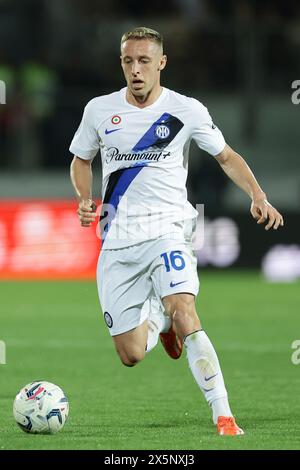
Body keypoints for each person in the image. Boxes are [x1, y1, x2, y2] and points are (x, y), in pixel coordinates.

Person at [69, 27, 284, 436]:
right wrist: (84, 196)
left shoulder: (186, 110)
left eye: (144, 61)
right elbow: (81, 159)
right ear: (121, 63)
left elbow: (225, 156)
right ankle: (160, 323)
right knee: (130, 354)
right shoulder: (98, 110)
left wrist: (257, 194)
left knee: (185, 310)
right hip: (118, 240)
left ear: (161, 63)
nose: (136, 69)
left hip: (169, 228)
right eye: (128, 61)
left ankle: (224, 415)